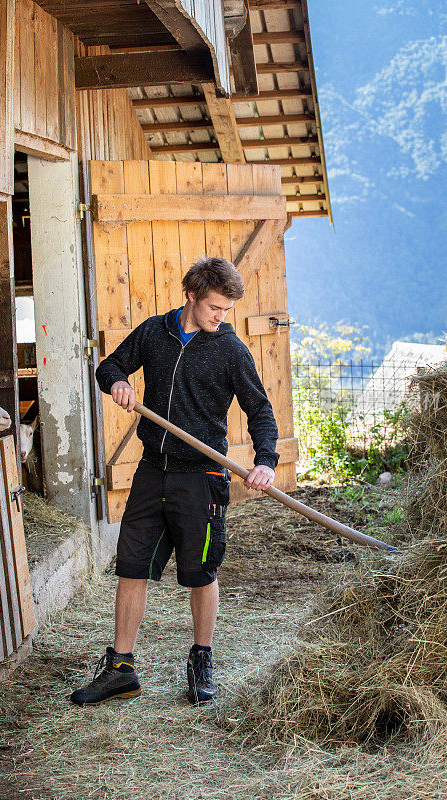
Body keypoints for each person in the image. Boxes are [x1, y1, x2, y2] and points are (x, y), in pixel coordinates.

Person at [70, 256, 279, 707]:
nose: (221, 319)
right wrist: (119, 384)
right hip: (152, 471)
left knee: (200, 573)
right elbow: (108, 367)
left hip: (201, 478)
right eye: (214, 309)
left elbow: (260, 410)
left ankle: (201, 661)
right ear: (191, 296)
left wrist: (266, 460)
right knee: (132, 566)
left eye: (226, 310)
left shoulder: (230, 348)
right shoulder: (154, 332)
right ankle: (121, 668)